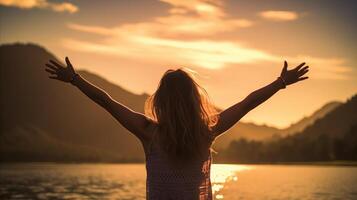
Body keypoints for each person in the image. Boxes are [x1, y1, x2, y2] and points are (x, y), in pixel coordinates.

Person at [45, 57, 309, 200]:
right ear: (194, 99)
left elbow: (106, 101)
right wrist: (280, 82)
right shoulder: (207, 132)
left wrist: (75, 80)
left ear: (161, 100)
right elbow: (248, 103)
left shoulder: (148, 131)